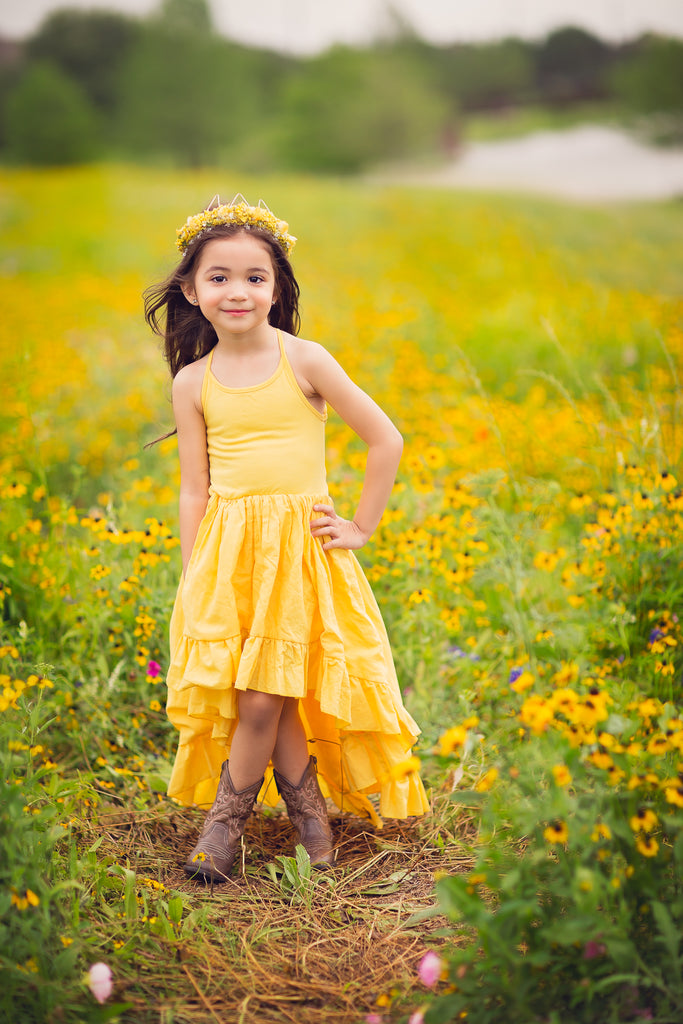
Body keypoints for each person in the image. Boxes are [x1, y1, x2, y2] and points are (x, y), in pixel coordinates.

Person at [145, 195, 429, 883]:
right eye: (218, 277)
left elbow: (384, 439)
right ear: (191, 289)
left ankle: (223, 827)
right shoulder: (193, 381)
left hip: (298, 552)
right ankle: (312, 826)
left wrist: (360, 526)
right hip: (230, 555)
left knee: (265, 697)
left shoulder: (305, 360)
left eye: (254, 277)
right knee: (268, 694)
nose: (236, 291)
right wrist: (196, 575)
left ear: (277, 289)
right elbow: (193, 488)